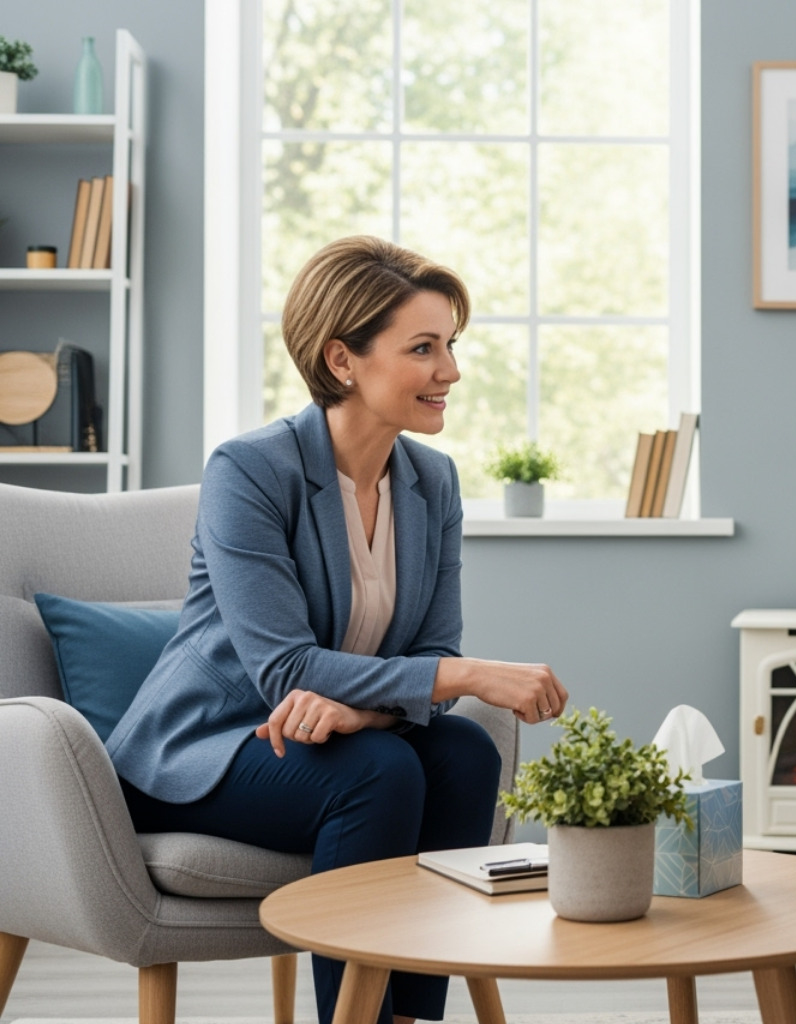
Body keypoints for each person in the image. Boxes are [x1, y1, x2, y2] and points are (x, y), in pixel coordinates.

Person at [106, 236, 569, 1024]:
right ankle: (357, 1019)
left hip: (337, 735)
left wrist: (367, 710)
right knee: (379, 772)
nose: (449, 371)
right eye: (423, 348)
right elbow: (286, 671)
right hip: (211, 748)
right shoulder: (249, 471)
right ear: (343, 360)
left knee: (462, 753)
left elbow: (429, 653)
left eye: (450, 346)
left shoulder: (432, 481)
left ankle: (412, 1013)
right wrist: (464, 678)